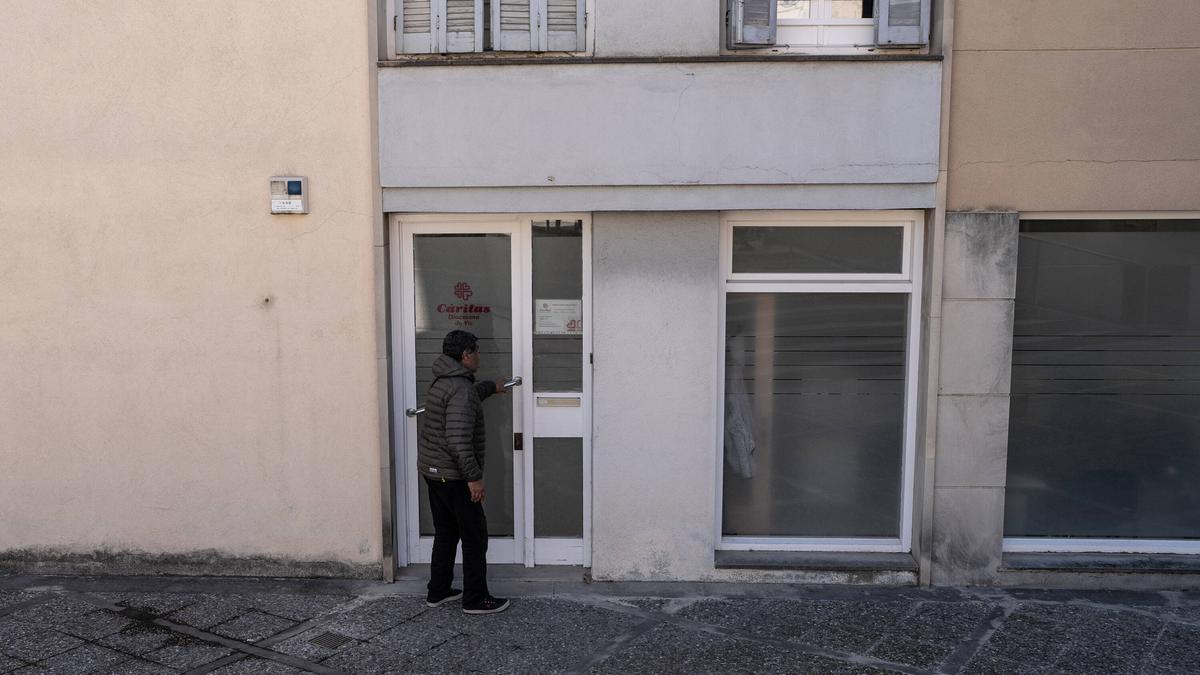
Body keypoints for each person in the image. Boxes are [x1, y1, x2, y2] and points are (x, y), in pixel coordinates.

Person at [418, 330, 511, 614]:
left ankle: (439, 590)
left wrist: (489, 387)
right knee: (474, 537)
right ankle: (475, 599)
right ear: (466, 355)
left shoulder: (445, 381)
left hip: (434, 471)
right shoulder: (460, 388)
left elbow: (463, 398)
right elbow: (459, 440)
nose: (480, 355)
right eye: (477, 350)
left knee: (446, 532)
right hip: (454, 475)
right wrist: (473, 478)